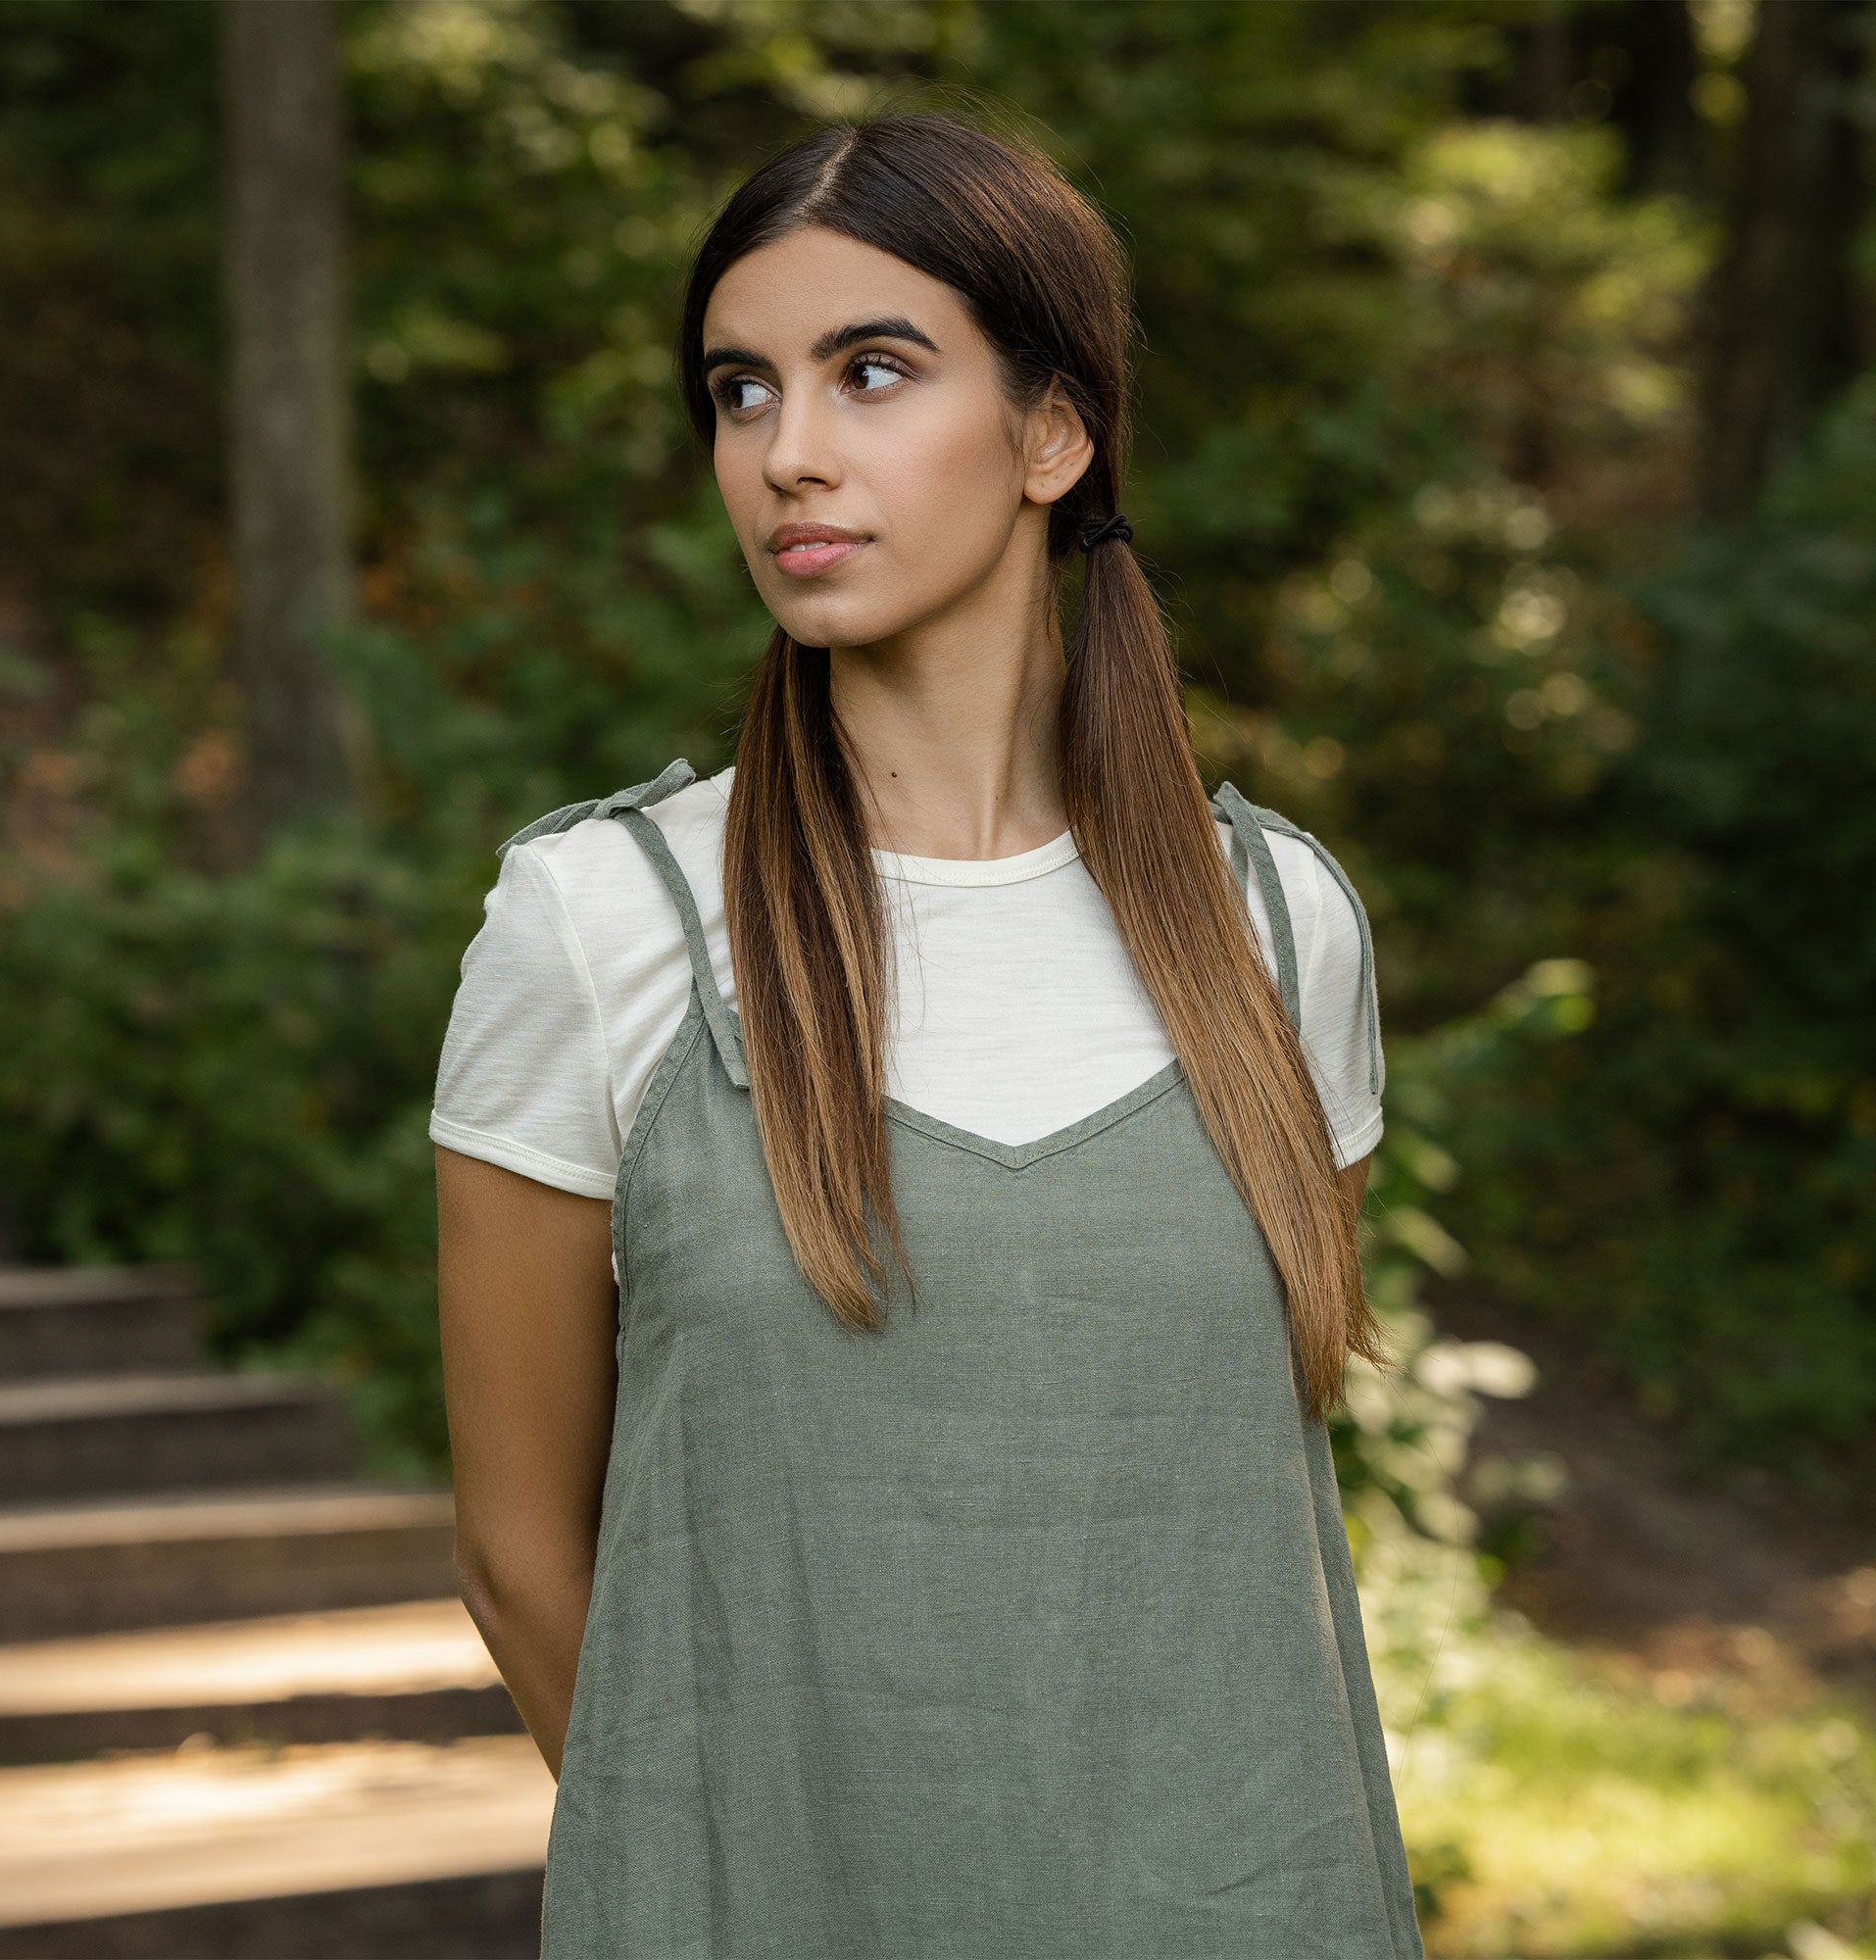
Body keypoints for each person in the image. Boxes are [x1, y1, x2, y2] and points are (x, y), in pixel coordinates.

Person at [432, 108, 1425, 1958]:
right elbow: (514, 1555)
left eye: (869, 373)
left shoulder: (1279, 931)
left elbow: (1215, 1524)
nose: (787, 456)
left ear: (1054, 433)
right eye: (741, 393)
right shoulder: (601, 925)